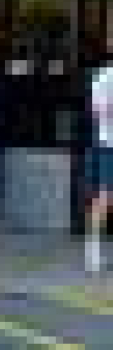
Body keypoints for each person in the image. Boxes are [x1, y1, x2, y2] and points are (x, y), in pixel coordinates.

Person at [87, 17, 113, 273]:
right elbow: (99, 112)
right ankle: (93, 249)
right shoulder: (103, 78)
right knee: (105, 196)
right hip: (109, 145)